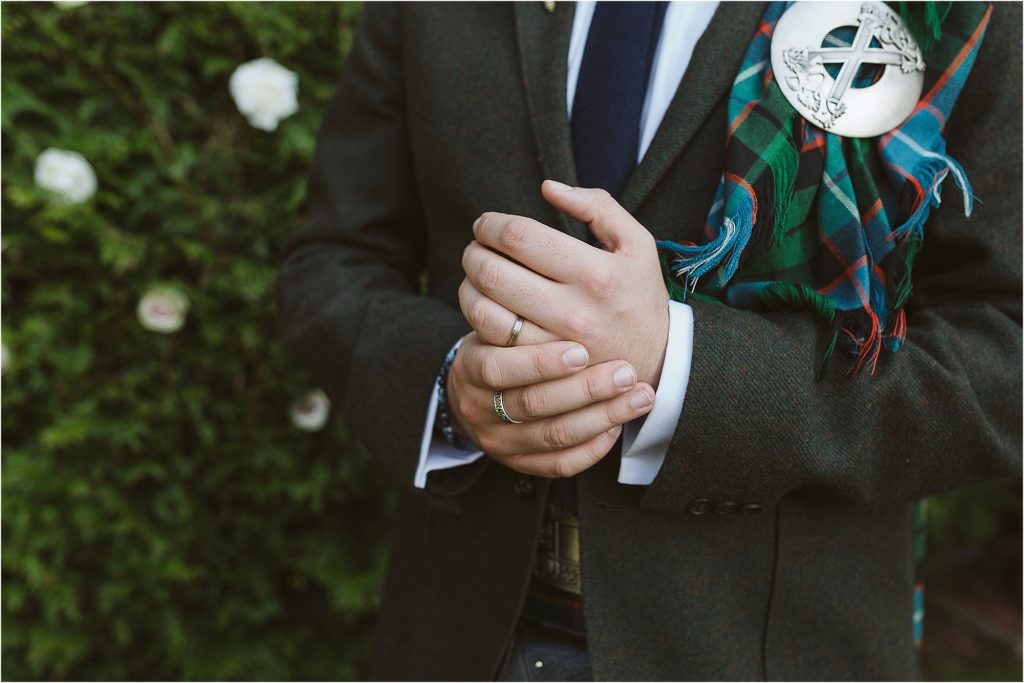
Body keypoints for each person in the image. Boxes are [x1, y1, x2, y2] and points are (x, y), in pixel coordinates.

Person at [277, 1, 1022, 680]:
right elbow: (336, 260)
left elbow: (1005, 345)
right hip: (458, 637)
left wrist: (684, 366)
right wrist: (451, 387)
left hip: (764, 652)